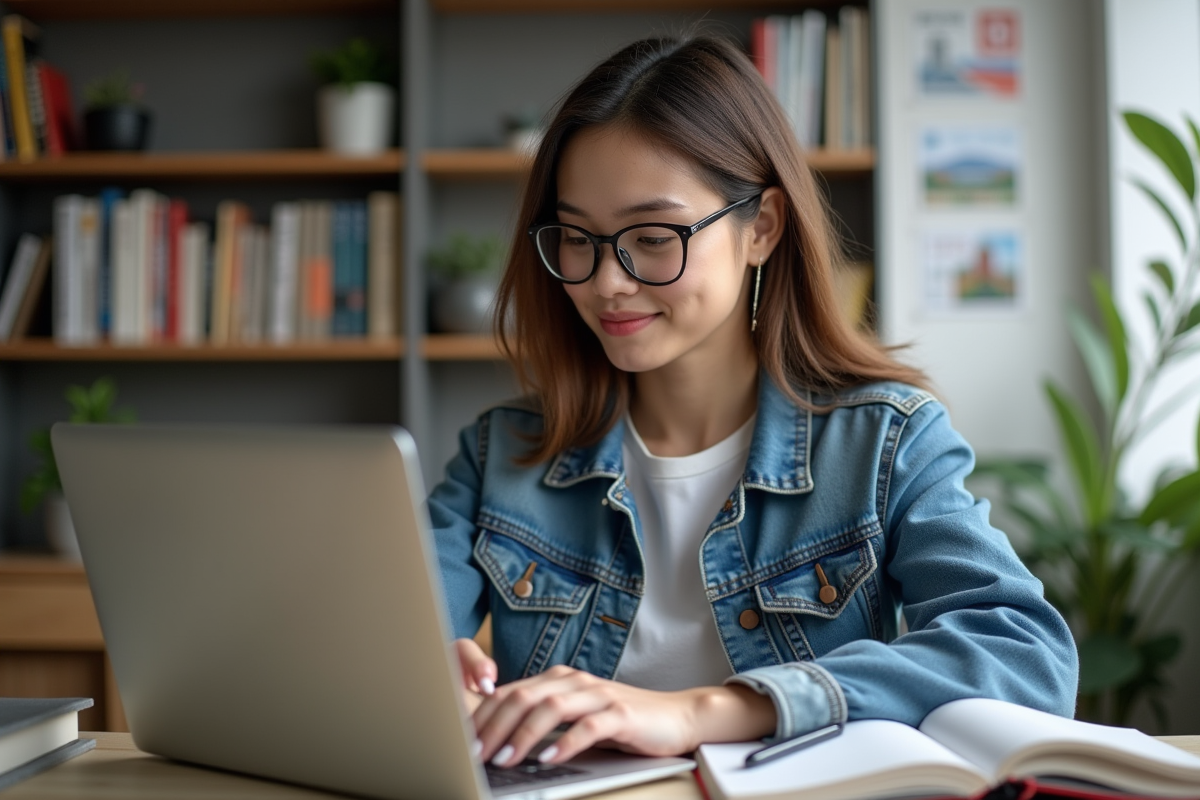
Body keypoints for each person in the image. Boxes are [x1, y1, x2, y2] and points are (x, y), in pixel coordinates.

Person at [428, 33, 1078, 771]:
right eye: (578, 237)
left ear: (761, 227)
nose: (606, 280)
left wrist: (707, 710)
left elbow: (1025, 655)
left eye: (651, 235)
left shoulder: (884, 444)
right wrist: (413, 670)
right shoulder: (499, 455)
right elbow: (374, 644)